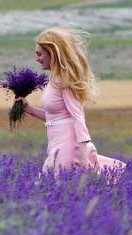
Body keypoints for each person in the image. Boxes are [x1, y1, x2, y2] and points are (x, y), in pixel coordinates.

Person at [15, 26, 124, 175]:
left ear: (52, 53)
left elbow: (78, 117)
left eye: (39, 54)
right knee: (54, 187)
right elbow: (56, 117)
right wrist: (29, 109)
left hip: (68, 143)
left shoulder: (64, 81)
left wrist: (84, 156)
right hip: (56, 141)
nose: (37, 59)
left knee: (54, 185)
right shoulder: (53, 80)